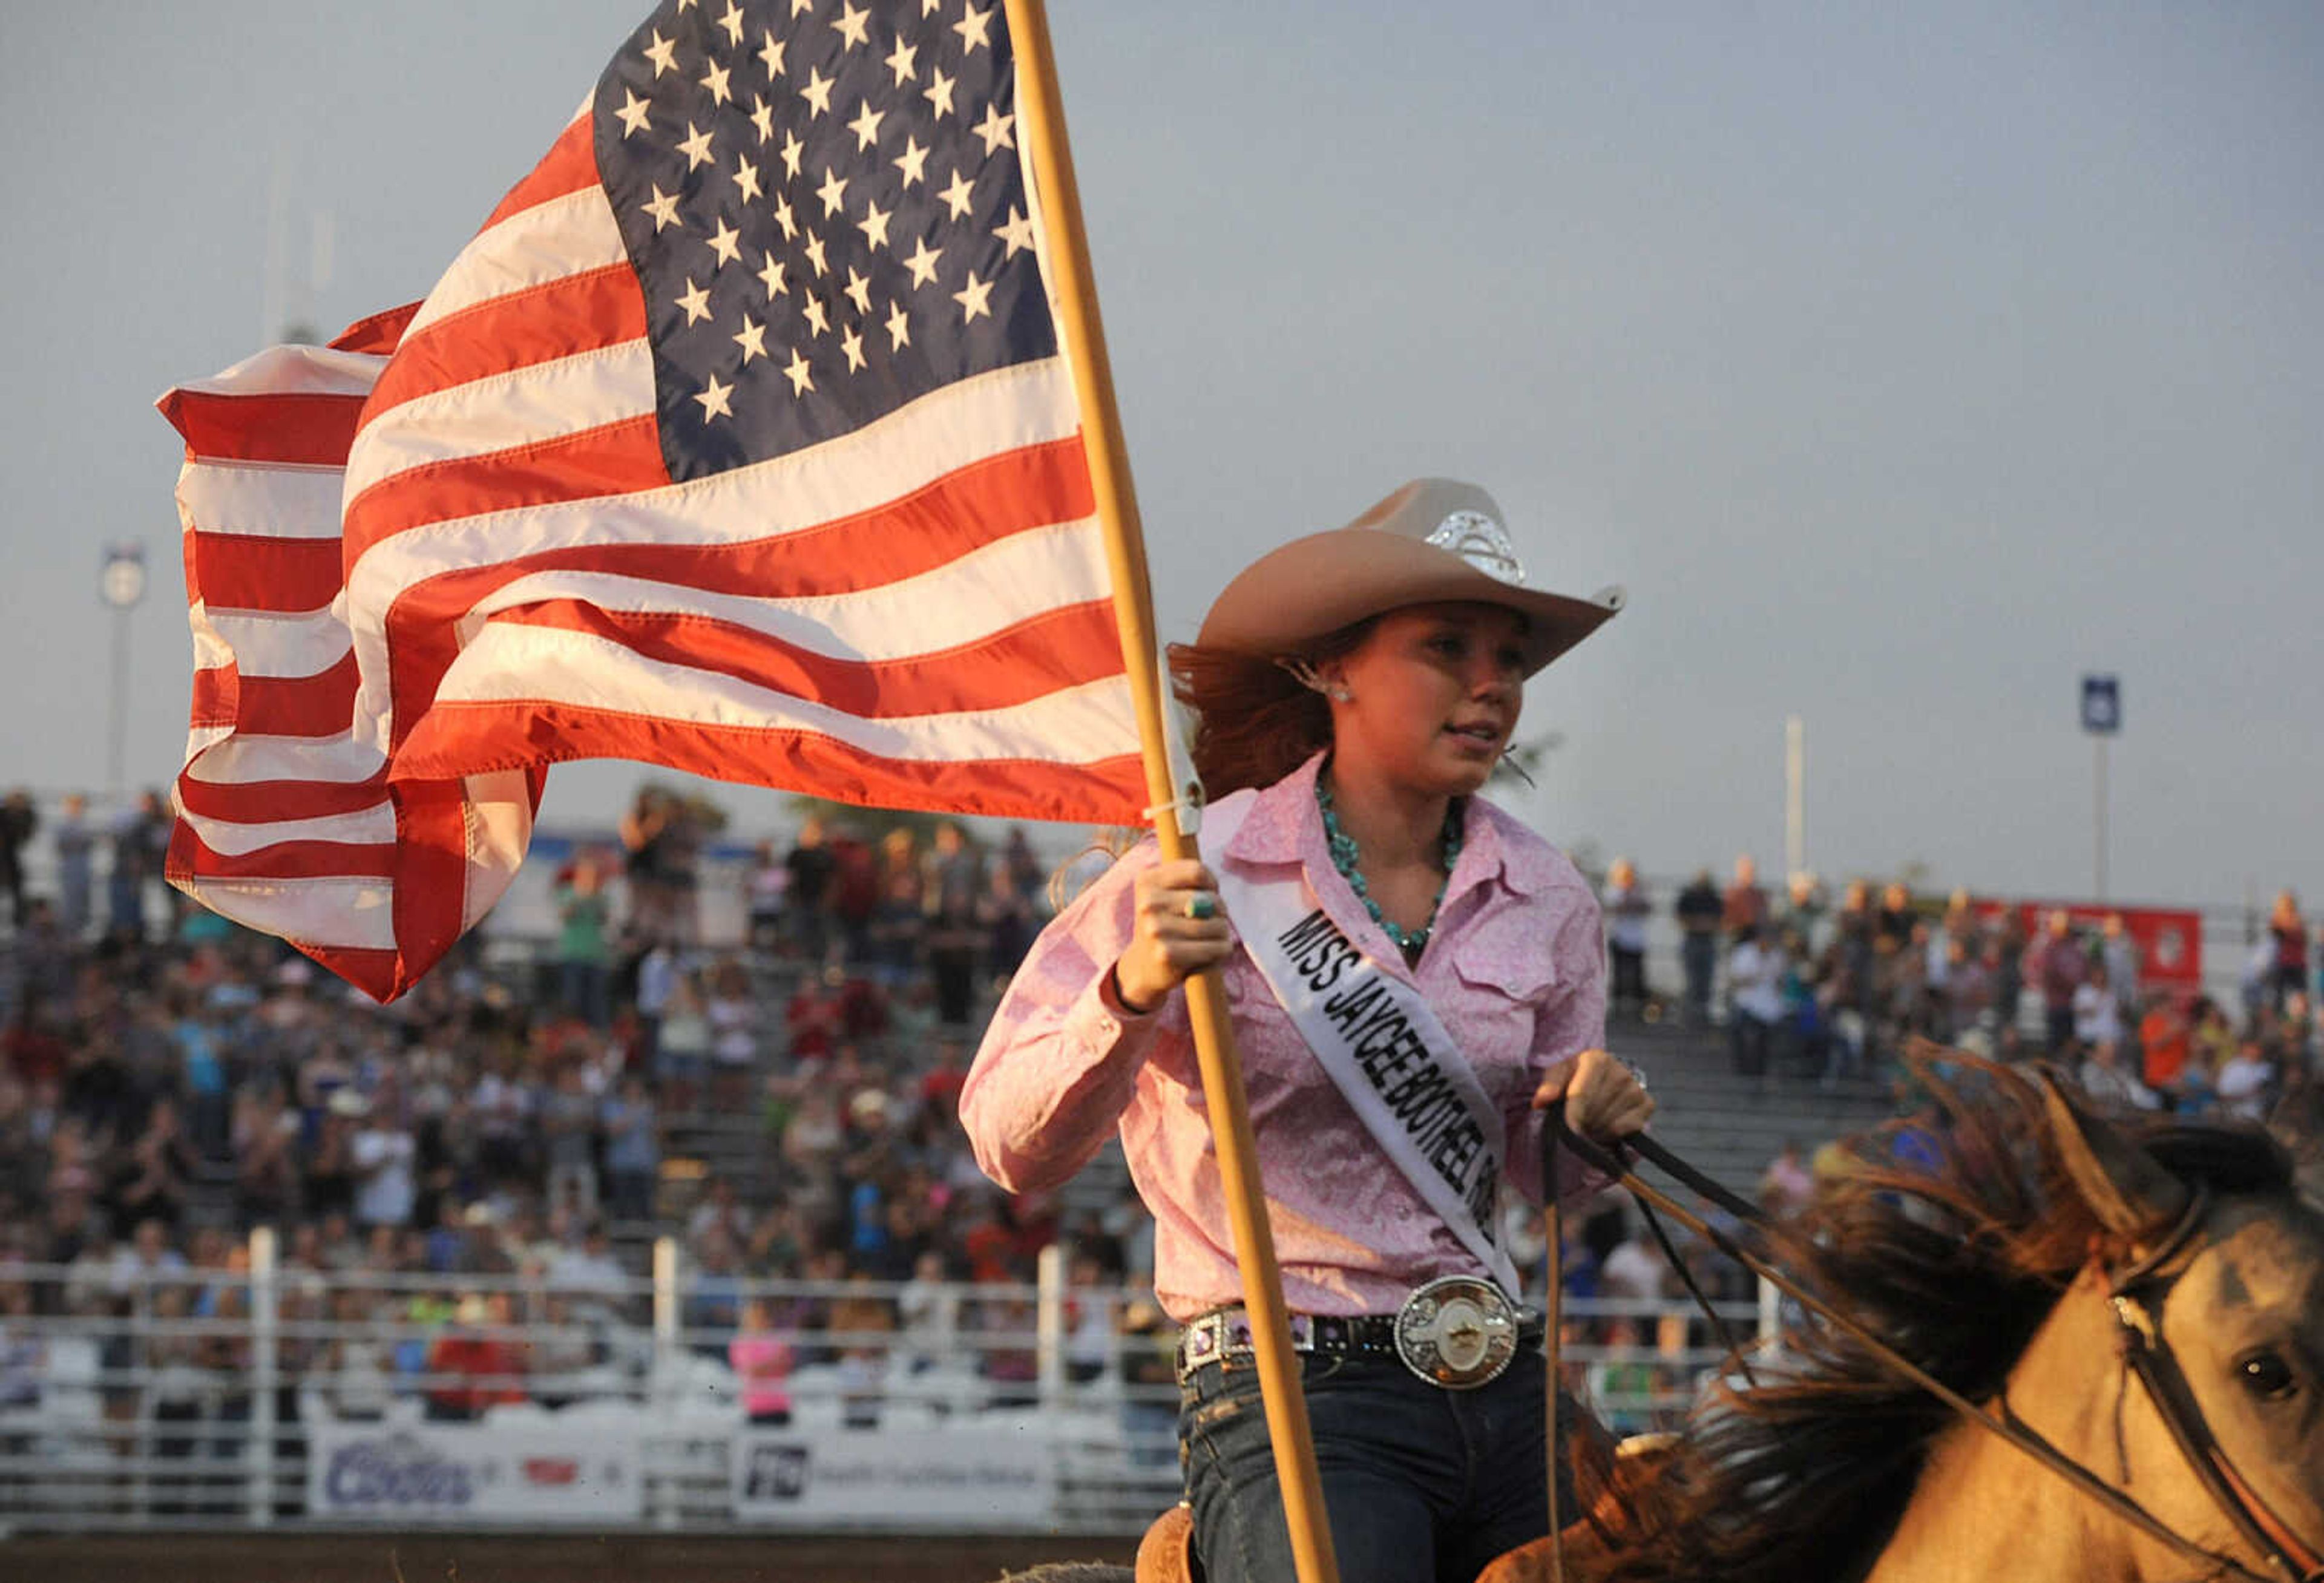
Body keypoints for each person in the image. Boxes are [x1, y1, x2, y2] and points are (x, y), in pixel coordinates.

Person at [960, 479, 1652, 1583]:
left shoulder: (1548, 895)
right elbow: (1010, 1143)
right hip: (1291, 1393)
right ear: (1333, 667)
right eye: (1446, 646)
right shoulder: (1200, 871)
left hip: (1502, 1378)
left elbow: (1541, 1172)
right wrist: (1132, 989)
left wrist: (1588, 1128)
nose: (1491, 686)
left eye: (1509, 658)